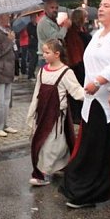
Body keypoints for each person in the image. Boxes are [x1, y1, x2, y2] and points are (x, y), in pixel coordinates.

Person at [61, 0, 110, 208]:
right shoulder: (96, 34)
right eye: (100, 5)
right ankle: (83, 187)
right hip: (92, 96)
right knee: (90, 143)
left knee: (103, 146)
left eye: (107, 6)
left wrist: (99, 80)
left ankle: (90, 191)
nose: (101, 9)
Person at [27, 39, 85, 186]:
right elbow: (36, 94)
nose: (43, 55)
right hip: (42, 114)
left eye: (47, 52)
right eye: (43, 52)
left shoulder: (66, 72)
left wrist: (90, 95)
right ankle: (62, 164)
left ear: (57, 54)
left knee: (52, 143)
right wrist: (32, 112)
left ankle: (43, 173)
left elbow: (77, 91)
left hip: (57, 116)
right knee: (49, 141)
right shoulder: (42, 71)